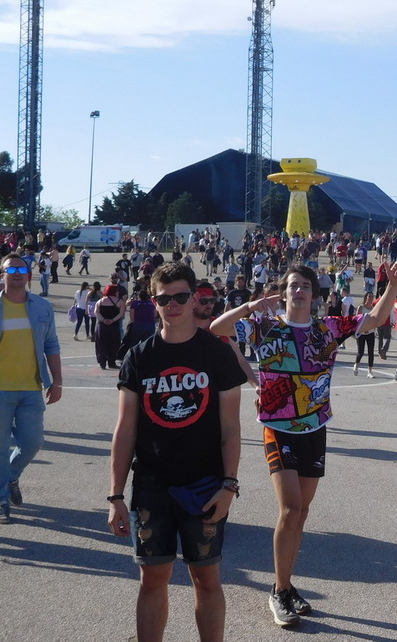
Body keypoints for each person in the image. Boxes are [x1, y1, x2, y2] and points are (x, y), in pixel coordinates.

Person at [209, 261, 397, 628]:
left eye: (305, 286)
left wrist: (392, 286)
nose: (298, 291)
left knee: (301, 514)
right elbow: (216, 328)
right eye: (292, 285)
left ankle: (285, 584)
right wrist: (250, 307)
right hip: (277, 427)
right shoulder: (264, 326)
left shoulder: (328, 327)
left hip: (315, 427)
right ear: (282, 293)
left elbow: (377, 320)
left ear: (315, 295)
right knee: (290, 509)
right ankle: (279, 592)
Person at [108, 261, 246, 641]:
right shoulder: (140, 356)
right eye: (164, 298)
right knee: (152, 578)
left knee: (206, 578)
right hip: (152, 483)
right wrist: (116, 496)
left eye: (181, 297)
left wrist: (229, 485)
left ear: (194, 297)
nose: (173, 305)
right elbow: (126, 430)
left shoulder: (216, 355)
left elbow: (231, 427)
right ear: (153, 302)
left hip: (205, 484)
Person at [0, 254, 63, 525]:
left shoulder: (42, 307)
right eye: (12, 269)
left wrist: (56, 382)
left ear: (29, 274)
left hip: (31, 387)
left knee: (33, 442)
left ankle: (10, 476)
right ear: (3, 273)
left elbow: (52, 345)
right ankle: (0, 500)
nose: (18, 273)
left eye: (23, 268)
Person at [95, 284, 126, 370]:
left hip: (102, 326)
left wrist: (103, 320)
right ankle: (112, 362)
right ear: (114, 292)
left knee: (102, 344)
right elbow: (121, 313)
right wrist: (112, 320)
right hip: (114, 325)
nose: (118, 292)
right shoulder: (120, 302)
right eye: (117, 291)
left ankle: (102, 362)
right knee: (114, 344)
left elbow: (96, 312)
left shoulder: (100, 301)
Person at [353, 292, 377, 377]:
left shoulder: (374, 308)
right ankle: (356, 364)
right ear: (366, 297)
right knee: (361, 352)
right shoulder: (361, 307)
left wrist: (371, 328)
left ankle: (370, 371)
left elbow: (375, 320)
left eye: (372, 296)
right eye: (369, 296)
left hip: (370, 332)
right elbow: (357, 320)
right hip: (361, 333)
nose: (370, 298)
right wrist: (363, 328)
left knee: (371, 352)